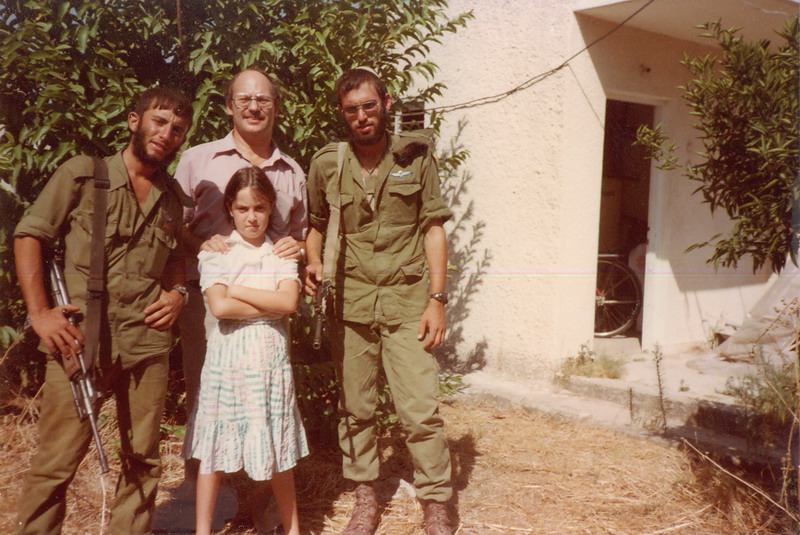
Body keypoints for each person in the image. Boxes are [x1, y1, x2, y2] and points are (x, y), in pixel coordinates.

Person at [13, 87, 193, 534]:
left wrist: (177, 294)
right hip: (80, 340)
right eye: (159, 121)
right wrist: (40, 313)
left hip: (146, 343)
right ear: (134, 121)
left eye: (177, 129)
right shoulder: (83, 174)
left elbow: (175, 257)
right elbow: (30, 235)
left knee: (143, 459)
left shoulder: (172, 197)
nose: (166, 134)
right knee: (56, 463)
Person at [304, 67, 455, 535]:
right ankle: (365, 497)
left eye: (370, 106)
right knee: (356, 409)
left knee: (420, 409)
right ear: (342, 112)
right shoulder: (328, 163)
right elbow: (315, 224)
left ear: (386, 103)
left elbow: (433, 228)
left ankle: (436, 502)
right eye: (352, 109)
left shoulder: (416, 157)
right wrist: (313, 261)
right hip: (350, 302)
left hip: (407, 300)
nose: (362, 116)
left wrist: (437, 299)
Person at [186, 166, 308, 535]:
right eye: (242, 209)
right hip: (228, 359)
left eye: (259, 208)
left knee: (276, 446)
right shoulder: (217, 252)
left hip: (269, 360)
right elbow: (220, 308)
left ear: (270, 208)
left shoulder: (281, 252)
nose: (251, 217)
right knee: (214, 448)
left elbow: (288, 302)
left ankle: (293, 528)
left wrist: (236, 289)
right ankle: (203, 530)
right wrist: (268, 303)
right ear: (230, 209)